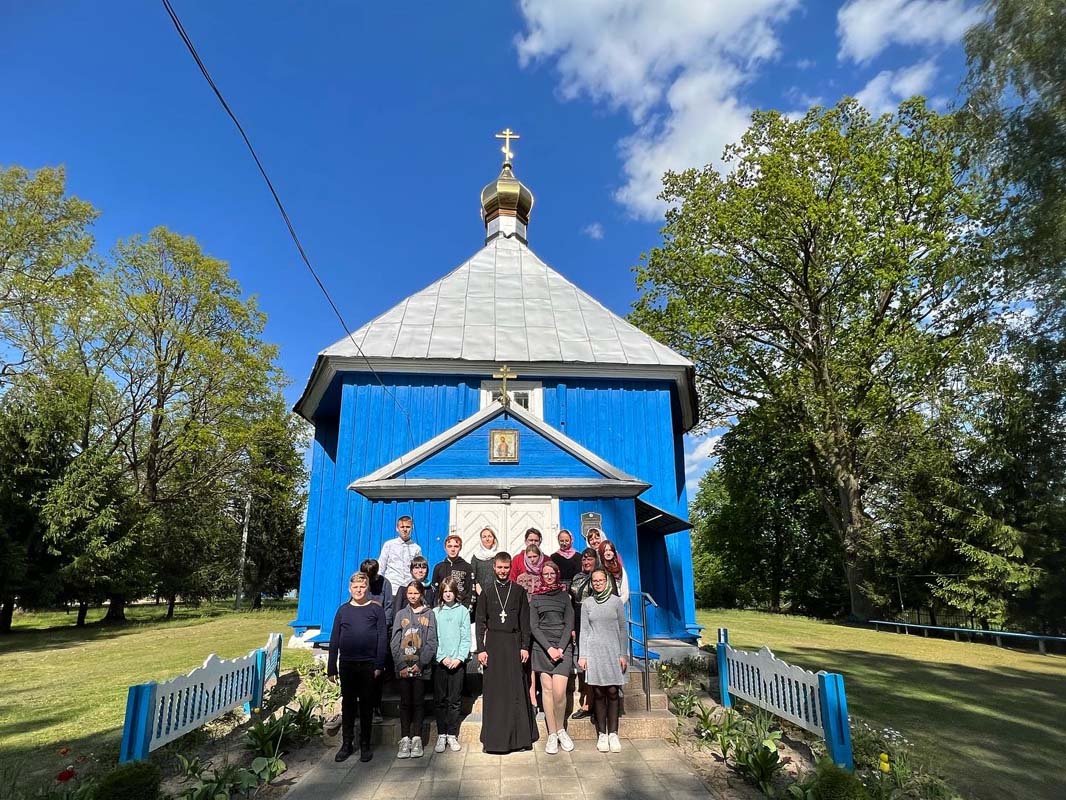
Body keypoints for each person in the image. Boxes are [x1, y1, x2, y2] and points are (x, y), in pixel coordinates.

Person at [475, 552, 538, 754]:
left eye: (506, 568)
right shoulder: (487, 591)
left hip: (513, 643)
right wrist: (481, 649)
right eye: (500, 567)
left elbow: (524, 622)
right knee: (495, 692)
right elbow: (480, 622)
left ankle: (518, 739)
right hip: (493, 645)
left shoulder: (518, 591)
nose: (503, 571)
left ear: (510, 568)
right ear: (494, 567)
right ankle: (494, 740)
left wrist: (524, 646)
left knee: (514, 690)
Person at [327, 572, 386, 763]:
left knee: (367, 705)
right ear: (349, 589)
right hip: (347, 664)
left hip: (369, 664)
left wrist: (379, 664)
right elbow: (334, 639)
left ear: (367, 588)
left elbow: (382, 638)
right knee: (348, 705)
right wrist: (331, 667)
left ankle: (365, 744)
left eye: (362, 587)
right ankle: (347, 744)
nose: (359, 590)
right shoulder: (343, 610)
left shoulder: (376, 610)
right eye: (355, 587)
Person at [578, 569, 628, 753]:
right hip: (595, 653)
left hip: (613, 652)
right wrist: (583, 655)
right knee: (598, 692)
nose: (598, 583)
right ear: (591, 583)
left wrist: (623, 654)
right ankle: (602, 733)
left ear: (607, 581)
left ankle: (613, 733)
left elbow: (622, 628)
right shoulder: (587, 603)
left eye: (601, 580)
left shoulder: (616, 602)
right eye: (595, 581)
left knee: (613, 691)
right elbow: (584, 630)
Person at [529, 560, 575, 754]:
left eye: (552, 573)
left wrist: (560, 648)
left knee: (559, 692)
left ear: (557, 575)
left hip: (562, 649)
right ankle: (552, 734)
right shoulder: (536, 598)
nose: (549, 576)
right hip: (542, 649)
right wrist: (549, 649)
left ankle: (561, 728)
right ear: (542, 576)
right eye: (545, 573)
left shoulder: (565, 596)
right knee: (547, 691)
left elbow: (569, 624)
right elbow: (534, 626)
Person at [391, 581, 438, 759]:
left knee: (418, 702)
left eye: (416, 593)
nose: (412, 596)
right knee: (405, 702)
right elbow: (395, 642)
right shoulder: (400, 615)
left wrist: (421, 663)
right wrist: (401, 665)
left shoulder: (429, 614)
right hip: (403, 668)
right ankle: (405, 738)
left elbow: (432, 642)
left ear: (421, 594)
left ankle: (417, 737)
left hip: (420, 668)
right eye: (410, 593)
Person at [433, 577, 470, 754]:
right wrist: (442, 657)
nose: (448, 594)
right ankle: (441, 734)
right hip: (441, 663)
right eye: (445, 591)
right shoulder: (435, 612)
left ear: (456, 593)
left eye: (451, 591)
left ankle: (452, 734)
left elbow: (466, 638)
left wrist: (459, 658)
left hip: (457, 663)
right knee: (440, 700)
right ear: (441, 593)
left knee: (454, 700)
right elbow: (433, 638)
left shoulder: (463, 611)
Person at [568, 547, 600, 720]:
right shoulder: (577, 577)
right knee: (583, 661)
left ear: (596, 560)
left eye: (590, 559)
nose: (587, 562)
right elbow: (572, 602)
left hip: (596, 621)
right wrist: (572, 626)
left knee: (596, 662)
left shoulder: (601, 577)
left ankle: (596, 704)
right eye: (584, 559)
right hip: (579, 620)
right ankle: (588, 701)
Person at [361, 558, 393, 723]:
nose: (369, 580)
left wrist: (382, 626)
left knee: (377, 671)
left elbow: (389, 607)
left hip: (380, 630)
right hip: (363, 631)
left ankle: (376, 706)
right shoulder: (360, 583)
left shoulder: (385, 583)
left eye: (371, 576)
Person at [378, 515, 422, 591]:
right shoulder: (389, 545)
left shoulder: (416, 548)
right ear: (397, 528)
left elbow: (418, 570)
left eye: (408, 527)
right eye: (402, 527)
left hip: (408, 588)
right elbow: (381, 566)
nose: (405, 529)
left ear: (412, 528)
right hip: (392, 587)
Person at [432, 534, 474, 608]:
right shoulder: (439, 567)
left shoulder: (467, 567)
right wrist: (437, 606)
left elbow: (470, 590)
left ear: (460, 548)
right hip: (442, 607)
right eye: (449, 546)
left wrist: (466, 608)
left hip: (460, 607)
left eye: (456, 546)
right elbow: (435, 591)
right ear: (445, 548)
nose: (453, 549)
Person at [470, 527, 500, 596]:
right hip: (480, 593)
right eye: (484, 537)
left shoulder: (499, 555)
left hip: (497, 592)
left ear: (494, 538)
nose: (487, 539)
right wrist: (480, 591)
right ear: (481, 539)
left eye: (490, 536)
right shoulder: (476, 556)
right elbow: (472, 575)